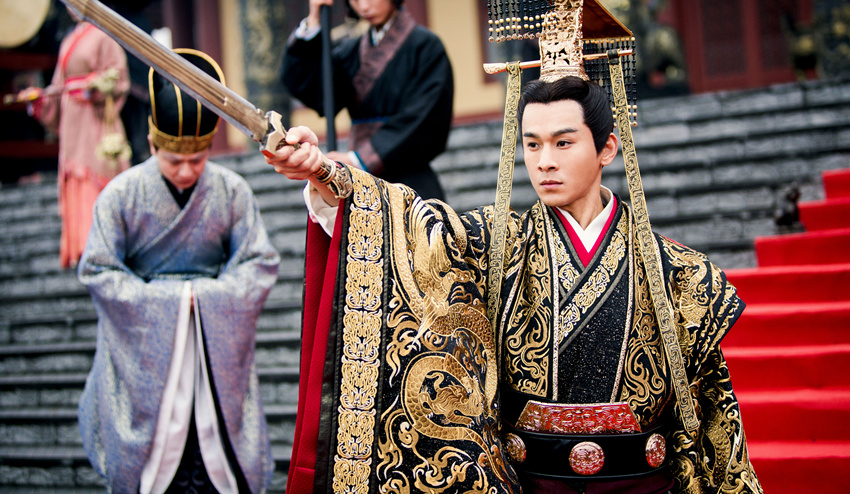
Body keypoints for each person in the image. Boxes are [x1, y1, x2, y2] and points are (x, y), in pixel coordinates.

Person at [265, 74, 761, 494]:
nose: (544, 161)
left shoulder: (679, 271)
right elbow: (414, 228)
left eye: (563, 143)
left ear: (607, 147)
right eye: (532, 144)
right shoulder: (496, 244)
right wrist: (325, 173)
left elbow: (712, 420)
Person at [77, 49, 280, 493]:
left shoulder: (231, 191)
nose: (187, 170)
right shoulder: (121, 194)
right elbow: (97, 268)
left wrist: (206, 300)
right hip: (142, 347)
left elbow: (260, 262)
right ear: (152, 145)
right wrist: (170, 302)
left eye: (198, 158)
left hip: (213, 345)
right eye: (173, 160)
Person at [281, 0, 454, 201]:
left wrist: (358, 158)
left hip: (411, 180)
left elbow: (423, 117)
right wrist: (313, 21)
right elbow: (316, 90)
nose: (362, 4)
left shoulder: (425, 46)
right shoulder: (351, 51)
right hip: (360, 182)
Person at [20, 15, 130, 269]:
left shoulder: (104, 34)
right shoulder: (69, 39)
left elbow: (119, 77)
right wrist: (39, 99)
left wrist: (96, 87)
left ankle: (106, 246)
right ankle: (82, 249)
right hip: (72, 119)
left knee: (95, 174)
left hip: (95, 118)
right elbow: (58, 86)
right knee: (74, 176)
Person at [81, 0, 158, 165]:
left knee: (140, 97)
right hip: (109, 39)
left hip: (134, 35)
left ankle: (144, 152)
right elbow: (93, 1)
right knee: (113, 95)